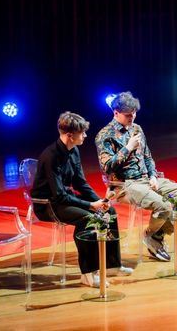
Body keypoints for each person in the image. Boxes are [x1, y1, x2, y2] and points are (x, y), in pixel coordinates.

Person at [31, 111, 133, 287]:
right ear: (70, 135)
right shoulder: (51, 156)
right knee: (88, 219)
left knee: (110, 211)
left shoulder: (74, 150)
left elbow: (80, 183)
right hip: (47, 204)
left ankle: (111, 265)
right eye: (82, 132)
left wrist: (101, 202)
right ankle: (87, 273)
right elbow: (59, 195)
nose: (85, 135)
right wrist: (91, 205)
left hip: (63, 199)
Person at [95, 92, 177, 262]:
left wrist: (152, 175)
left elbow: (147, 157)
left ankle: (156, 235)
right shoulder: (105, 136)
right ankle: (151, 236)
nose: (132, 117)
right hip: (124, 185)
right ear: (116, 113)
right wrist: (127, 148)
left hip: (146, 180)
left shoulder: (137, 128)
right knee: (164, 206)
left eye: (134, 113)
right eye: (128, 115)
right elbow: (107, 167)